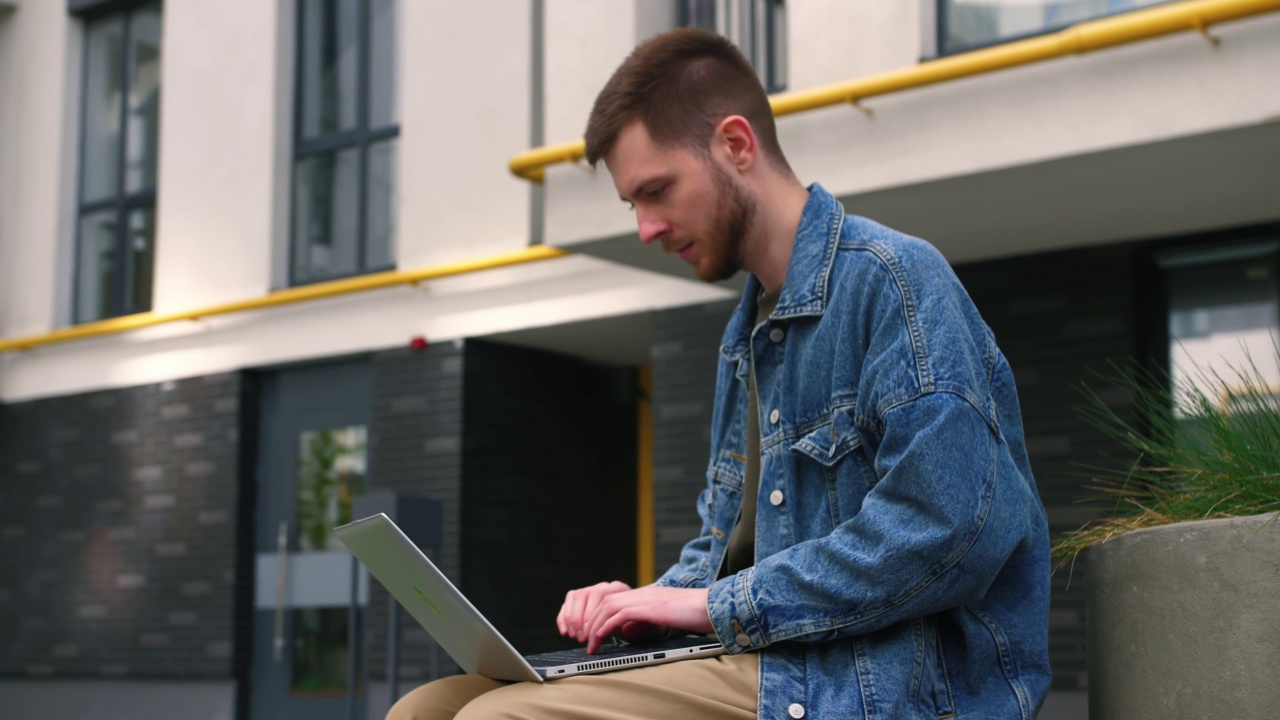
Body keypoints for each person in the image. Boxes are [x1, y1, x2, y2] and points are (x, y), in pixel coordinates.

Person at [388, 27, 1051, 720]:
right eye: (632, 204)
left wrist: (704, 604)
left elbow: (949, 530)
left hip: (881, 688)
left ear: (736, 145)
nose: (645, 227)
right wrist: (638, 606)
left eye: (656, 190)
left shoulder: (895, 283)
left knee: (495, 719)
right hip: (768, 662)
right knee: (430, 707)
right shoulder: (745, 340)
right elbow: (723, 551)